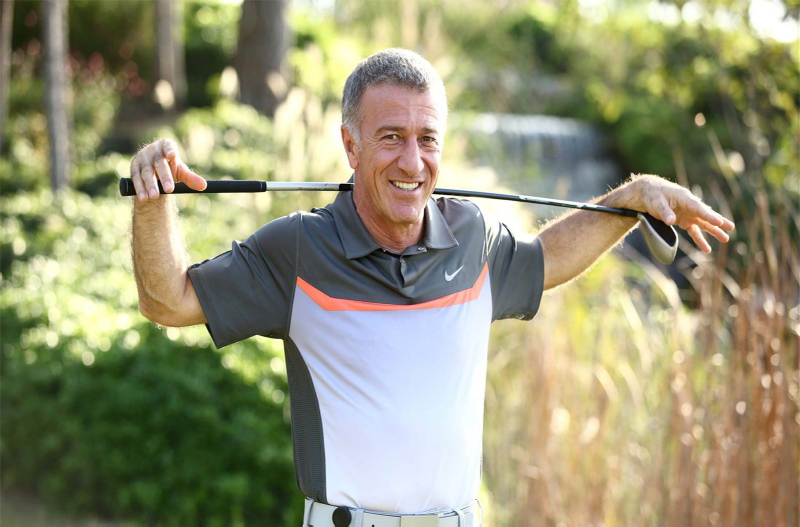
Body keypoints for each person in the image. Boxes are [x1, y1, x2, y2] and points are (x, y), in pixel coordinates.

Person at [128, 48, 734, 527]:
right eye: (391, 136)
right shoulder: (298, 250)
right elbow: (168, 301)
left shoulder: (473, 237)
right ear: (351, 145)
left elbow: (547, 258)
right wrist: (154, 202)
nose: (413, 163)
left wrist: (630, 198)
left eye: (428, 139)